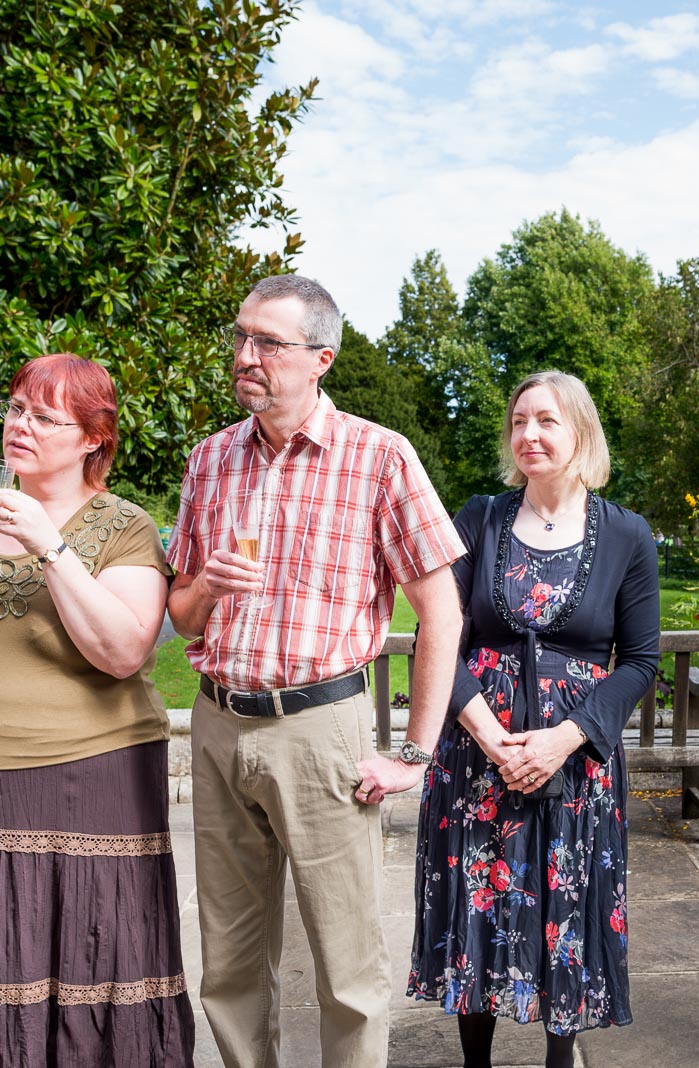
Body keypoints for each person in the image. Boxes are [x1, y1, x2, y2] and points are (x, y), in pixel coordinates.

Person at [167, 275, 465, 1067]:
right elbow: (181, 613)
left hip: (323, 728)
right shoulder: (210, 461)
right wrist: (205, 585)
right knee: (227, 967)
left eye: (267, 342)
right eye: (240, 337)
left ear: (321, 357)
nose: (244, 356)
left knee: (347, 970)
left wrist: (413, 753)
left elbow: (441, 612)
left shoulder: (379, 456)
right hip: (218, 720)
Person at [0, 354, 193, 1064]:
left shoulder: (123, 526)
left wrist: (51, 546)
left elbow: (123, 652)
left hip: (84, 780)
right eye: (17, 407)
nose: (21, 425)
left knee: (83, 957)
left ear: (92, 438)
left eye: (45, 417)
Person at [408, 371, 659, 1068]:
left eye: (547, 420)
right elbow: (440, 639)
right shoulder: (479, 519)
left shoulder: (627, 535)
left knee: (566, 906)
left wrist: (560, 740)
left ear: (580, 431)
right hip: (476, 755)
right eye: (519, 421)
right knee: (478, 909)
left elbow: (639, 661)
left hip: (573, 760)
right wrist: (493, 740)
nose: (530, 435)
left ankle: (560, 1059)